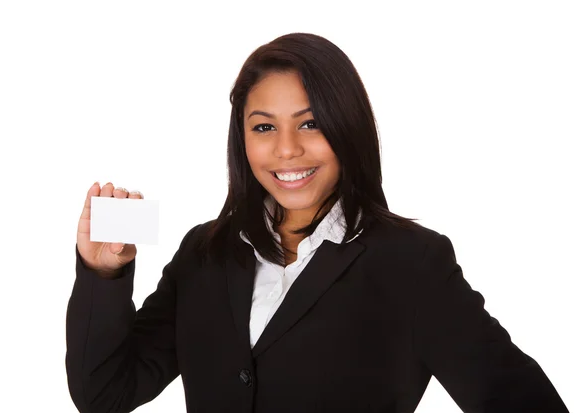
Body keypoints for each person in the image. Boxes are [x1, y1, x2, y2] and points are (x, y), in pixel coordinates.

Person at [66, 33, 569, 413]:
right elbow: (105, 393)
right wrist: (102, 274)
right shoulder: (205, 252)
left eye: (310, 123)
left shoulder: (411, 262)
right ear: (242, 140)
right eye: (264, 127)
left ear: (346, 126)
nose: (287, 149)